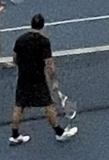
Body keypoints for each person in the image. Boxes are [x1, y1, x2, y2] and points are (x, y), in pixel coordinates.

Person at [7, 13, 77, 146]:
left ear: (31, 24)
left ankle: (15, 135)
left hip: (23, 78)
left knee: (19, 106)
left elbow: (15, 59)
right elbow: (49, 64)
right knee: (48, 105)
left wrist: (23, 67)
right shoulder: (44, 42)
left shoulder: (20, 39)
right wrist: (54, 80)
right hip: (38, 79)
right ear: (43, 26)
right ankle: (59, 133)